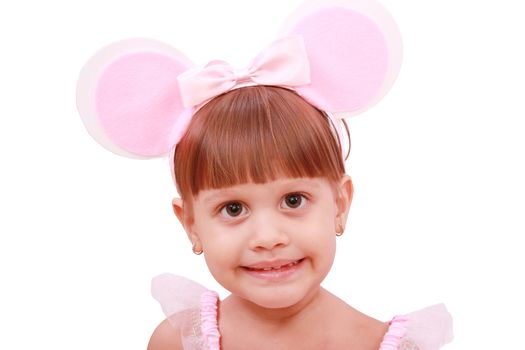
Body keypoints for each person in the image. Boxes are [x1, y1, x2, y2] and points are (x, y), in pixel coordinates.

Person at [76, 1, 453, 349]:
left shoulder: (382, 344)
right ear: (190, 223)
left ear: (339, 204)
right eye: (233, 208)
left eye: (293, 200)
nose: (268, 238)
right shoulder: (180, 341)